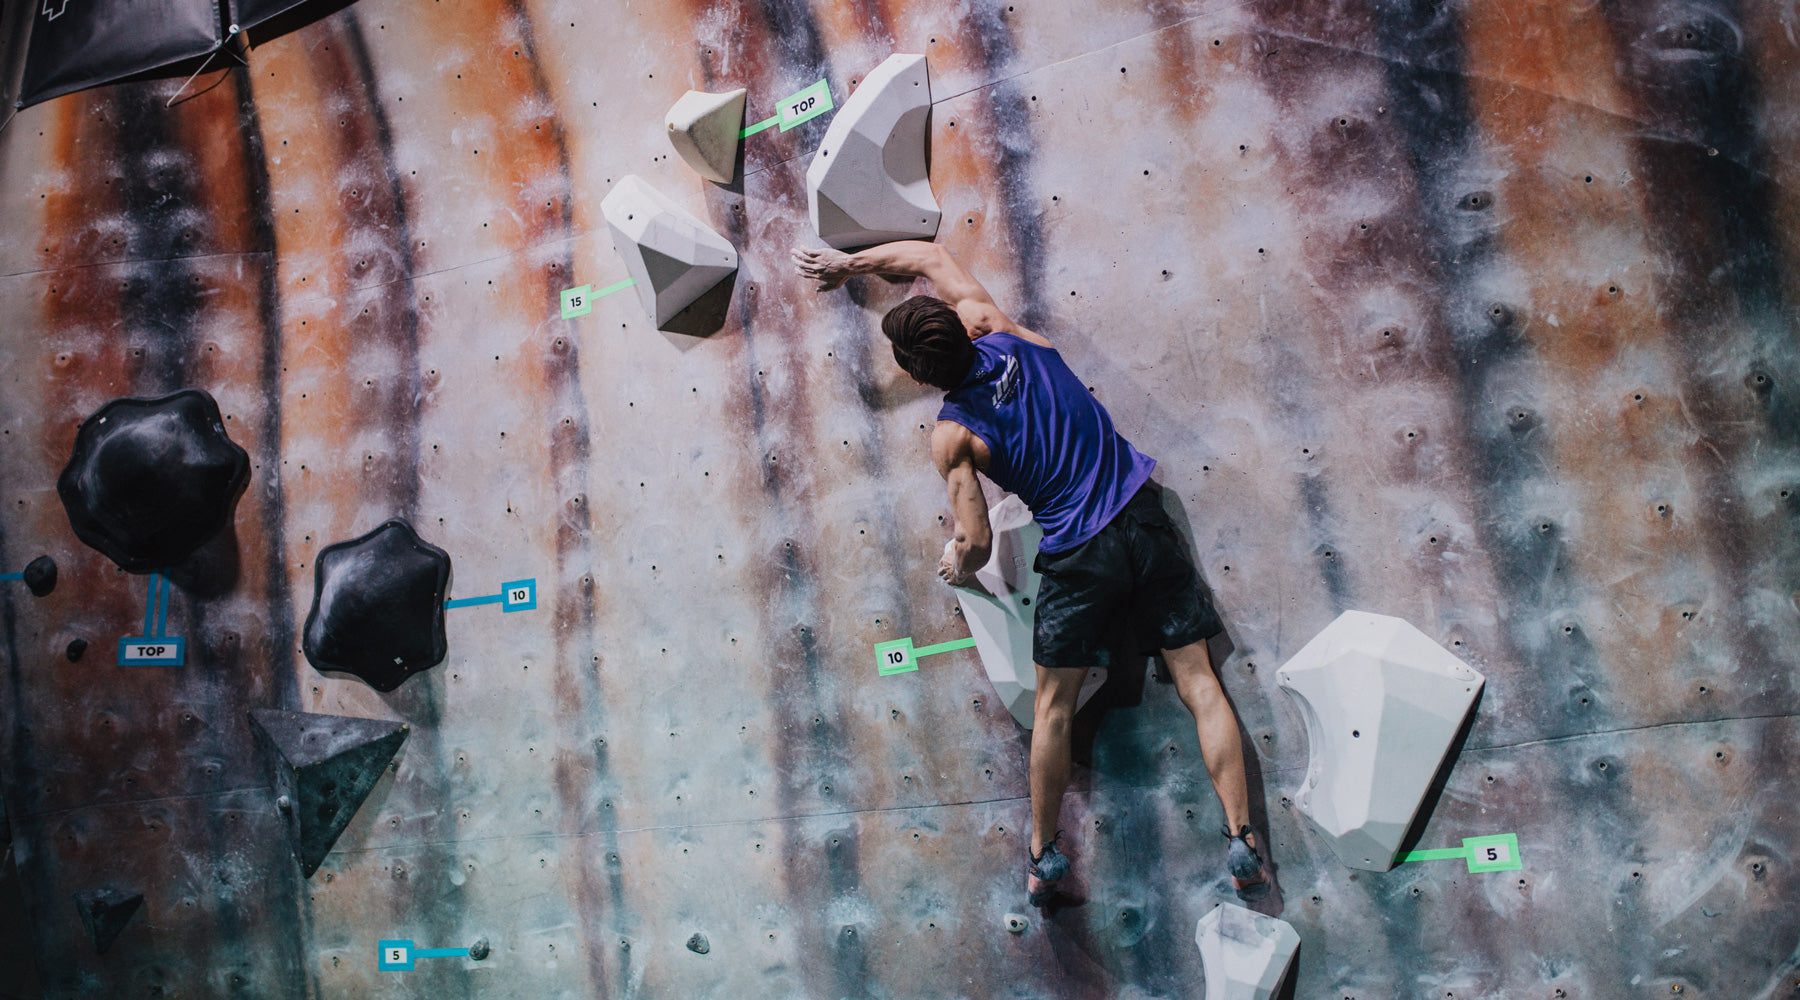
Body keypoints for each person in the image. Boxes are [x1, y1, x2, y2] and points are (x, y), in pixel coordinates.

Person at [793, 241, 1267, 905]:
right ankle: (1243, 842)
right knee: (1199, 682)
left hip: (1080, 557)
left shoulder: (953, 435)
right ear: (961, 326)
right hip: (1142, 516)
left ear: (921, 376)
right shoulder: (997, 325)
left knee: (1053, 709)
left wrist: (957, 559)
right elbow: (928, 254)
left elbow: (979, 542)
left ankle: (1044, 856)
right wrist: (847, 264)